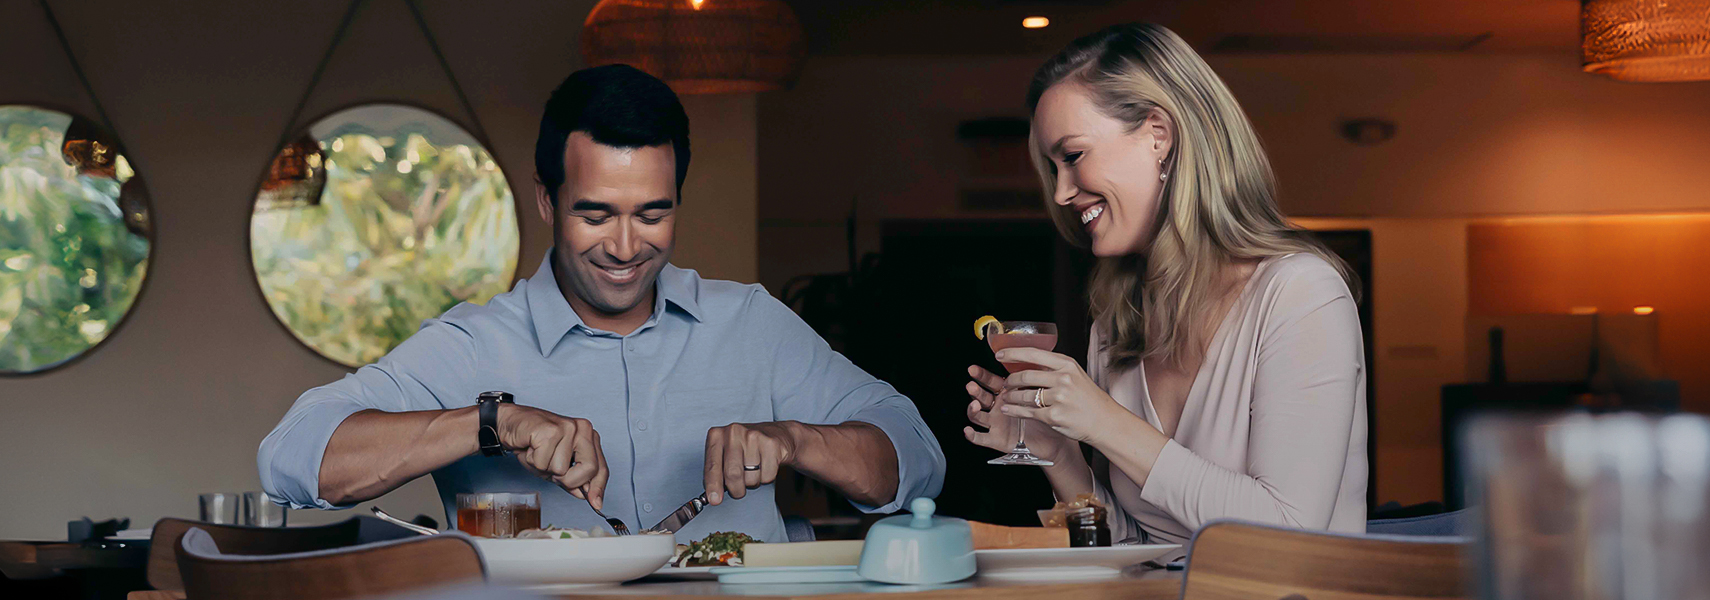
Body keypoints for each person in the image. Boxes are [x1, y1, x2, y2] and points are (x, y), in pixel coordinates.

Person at [260, 64, 945, 543]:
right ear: (546, 200)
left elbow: (915, 458)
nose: (625, 247)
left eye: (652, 213)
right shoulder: (474, 345)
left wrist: (795, 438)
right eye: (595, 214)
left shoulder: (753, 324)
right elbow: (292, 457)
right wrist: (493, 423)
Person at [962, 23, 1367, 547]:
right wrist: (1056, 451)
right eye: (1052, 167)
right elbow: (1131, 544)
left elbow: (1288, 533)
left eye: (1073, 155)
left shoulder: (1300, 294)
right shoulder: (1117, 318)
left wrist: (1104, 421)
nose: (1061, 192)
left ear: (1159, 134)